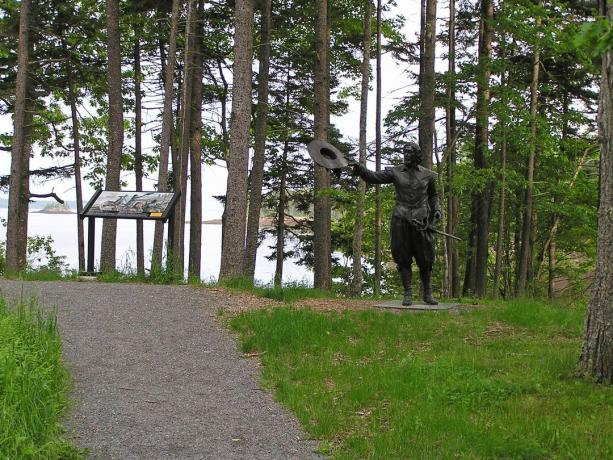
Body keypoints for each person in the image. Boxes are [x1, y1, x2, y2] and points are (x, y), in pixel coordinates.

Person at [352, 142, 441, 305]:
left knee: (426, 258)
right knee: (402, 256)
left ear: (417, 155)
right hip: (401, 219)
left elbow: (434, 196)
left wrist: (437, 210)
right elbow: (373, 177)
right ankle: (407, 293)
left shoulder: (429, 175)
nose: (405, 155)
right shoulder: (395, 172)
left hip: (422, 221)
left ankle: (428, 293)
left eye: (409, 152)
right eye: (404, 152)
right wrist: (360, 169)